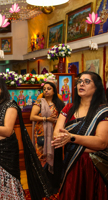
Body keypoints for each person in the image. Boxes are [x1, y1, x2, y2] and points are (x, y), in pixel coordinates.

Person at [0, 76, 54, 200]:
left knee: (7, 183)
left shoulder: (10, 105)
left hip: (6, 150)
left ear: (1, 87)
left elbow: (7, 131)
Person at [52, 71, 108, 200]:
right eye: (79, 82)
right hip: (71, 162)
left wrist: (72, 138)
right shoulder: (69, 108)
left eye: (87, 81)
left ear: (97, 87)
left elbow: (101, 143)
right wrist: (87, 143)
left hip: (93, 165)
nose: (81, 84)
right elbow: (57, 135)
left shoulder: (103, 111)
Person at [30, 82, 65, 195]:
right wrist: (47, 119)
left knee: (56, 159)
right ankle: (42, 186)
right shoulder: (39, 102)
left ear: (54, 91)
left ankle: (54, 185)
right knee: (42, 159)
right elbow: (32, 117)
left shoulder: (59, 103)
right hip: (42, 136)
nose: (46, 91)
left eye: (49, 88)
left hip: (55, 135)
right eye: (44, 89)